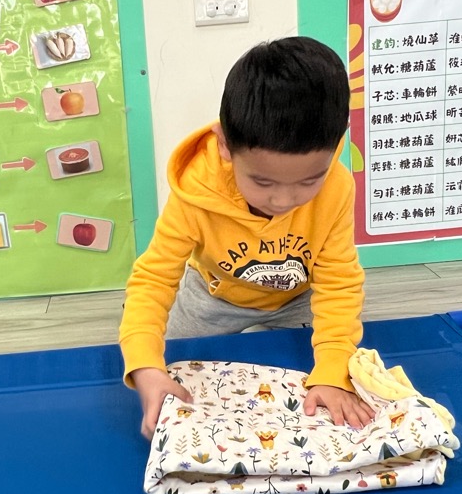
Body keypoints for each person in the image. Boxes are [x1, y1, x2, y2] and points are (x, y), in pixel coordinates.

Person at [119, 36, 374, 439]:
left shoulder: (338, 187)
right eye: (263, 182)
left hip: (296, 299)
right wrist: (145, 367)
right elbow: (153, 280)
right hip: (213, 297)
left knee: (315, 367)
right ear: (224, 144)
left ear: (338, 142)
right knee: (176, 364)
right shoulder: (196, 191)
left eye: (309, 180)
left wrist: (332, 371)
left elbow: (339, 283)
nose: (284, 201)